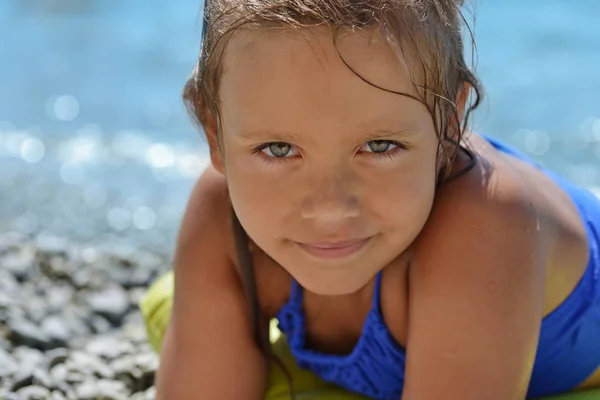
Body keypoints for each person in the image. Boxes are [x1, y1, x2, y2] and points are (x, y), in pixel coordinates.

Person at [142, 0, 600, 399]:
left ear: (450, 121)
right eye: (277, 149)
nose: (330, 207)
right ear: (213, 133)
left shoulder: (485, 227)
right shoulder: (225, 217)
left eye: (380, 146)